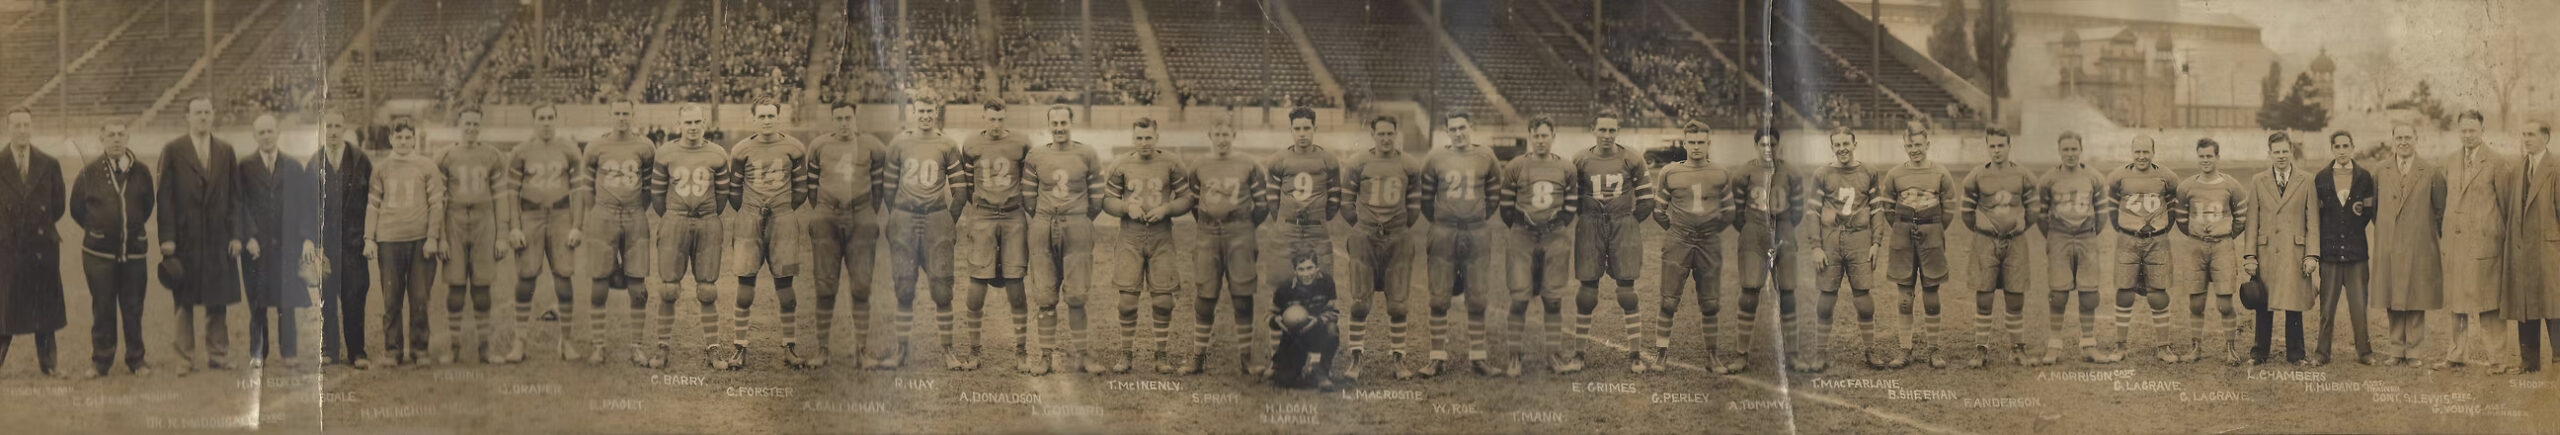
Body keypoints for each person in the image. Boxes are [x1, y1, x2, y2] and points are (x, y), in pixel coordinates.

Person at [1102, 118, 1194, 374]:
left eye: (1148, 138)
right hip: (1130, 237)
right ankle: (1126, 354)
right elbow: (1107, 201)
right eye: (1139, 138)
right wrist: (1126, 207)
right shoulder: (1121, 164)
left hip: (1161, 236)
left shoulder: (1171, 162)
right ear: (1133, 138)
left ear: (1157, 137)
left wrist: (1167, 209)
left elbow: (1187, 198)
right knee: (1127, 302)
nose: (1144, 143)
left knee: (1163, 301)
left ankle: (1161, 355)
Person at [158, 98, 243, 374]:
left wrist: (236, 235)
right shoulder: (173, 149)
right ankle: (184, 358)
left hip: (219, 238)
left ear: (213, 115)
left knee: (217, 299)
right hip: (186, 239)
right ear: (188, 116)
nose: (203, 117)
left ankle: (218, 355)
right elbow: (165, 198)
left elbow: (235, 197)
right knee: (183, 299)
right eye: (197, 113)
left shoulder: (225, 150)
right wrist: (167, 237)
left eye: (207, 112)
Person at [722, 103, 809, 370]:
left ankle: (789, 347)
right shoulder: (741, 149)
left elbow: (801, 191)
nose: (767, 120)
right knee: (745, 287)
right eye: (762, 116)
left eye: (771, 115)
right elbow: (734, 193)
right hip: (749, 218)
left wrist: (781, 211)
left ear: (778, 117)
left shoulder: (794, 147)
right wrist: (752, 212)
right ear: (754, 119)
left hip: (782, 219)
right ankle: (739, 346)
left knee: (786, 288)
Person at [647, 104, 733, 369]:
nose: (693, 127)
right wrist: (675, 216)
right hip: (675, 219)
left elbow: (722, 197)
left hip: (707, 221)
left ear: (704, 123)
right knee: (669, 288)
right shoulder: (665, 152)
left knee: (707, 289)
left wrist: (705, 215)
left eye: (697, 122)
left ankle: (713, 348)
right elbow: (657, 197)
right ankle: (662, 347)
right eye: (688, 122)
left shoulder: (717, 153)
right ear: (679, 124)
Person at [1420, 113, 1504, 377]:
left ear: (1471, 127)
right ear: (1447, 131)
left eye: (1462, 128)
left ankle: (1478, 358)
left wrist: (1476, 217)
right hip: (1444, 232)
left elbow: (1494, 195)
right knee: (1438, 297)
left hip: (1476, 232)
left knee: (1477, 297)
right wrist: (1444, 221)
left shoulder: (1486, 156)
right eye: (1453, 129)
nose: (1458, 133)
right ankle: (1436, 358)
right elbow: (1426, 200)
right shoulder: (1435, 157)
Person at [1339, 115, 1422, 380]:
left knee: (1398, 304)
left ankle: (1398, 359)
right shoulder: (1358, 163)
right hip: (1365, 238)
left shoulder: (1409, 164)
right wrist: (1363, 227)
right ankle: (1356, 359)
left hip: (1397, 239)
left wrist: (1397, 229)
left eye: (1390, 133)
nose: (1386, 138)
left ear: (1397, 134)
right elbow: (1346, 203)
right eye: (1381, 134)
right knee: (1359, 303)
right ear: (1372, 135)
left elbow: (1414, 207)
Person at [879, 101, 961, 370]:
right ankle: (901, 350)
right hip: (905, 217)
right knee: (904, 287)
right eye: (921, 111)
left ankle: (948, 350)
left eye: (929, 111)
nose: (925, 116)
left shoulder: (947, 144)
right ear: (913, 112)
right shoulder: (899, 143)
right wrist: (898, 214)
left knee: (942, 288)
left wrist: (947, 220)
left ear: (936, 113)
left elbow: (960, 191)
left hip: (936, 217)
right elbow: (888, 188)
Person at [1260, 107, 1342, 376]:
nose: (1302, 133)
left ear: (1315, 128)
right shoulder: (1278, 160)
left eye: (1307, 128)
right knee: (1281, 291)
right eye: (1297, 128)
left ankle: (1317, 364)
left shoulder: (1328, 160)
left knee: (1320, 292)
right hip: (1287, 233)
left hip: (1317, 232)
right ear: (1291, 130)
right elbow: (1272, 201)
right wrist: (1287, 223)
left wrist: (1316, 220)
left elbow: (1334, 200)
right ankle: (1277, 359)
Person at [1184, 119, 1269, 375]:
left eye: (1226, 134)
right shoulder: (1198, 164)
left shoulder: (1249, 164)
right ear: (1210, 135)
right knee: (1205, 298)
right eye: (1217, 134)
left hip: (1240, 233)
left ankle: (1247, 358)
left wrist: (1243, 226)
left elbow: (1262, 206)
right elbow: (1194, 204)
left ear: (1234, 134)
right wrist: (1210, 224)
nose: (1222, 139)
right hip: (1208, 235)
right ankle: (1198, 356)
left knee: (1242, 297)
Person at [502, 104, 586, 363]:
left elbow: (578, 192)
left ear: (556, 119)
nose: (546, 122)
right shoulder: (520, 151)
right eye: (542, 118)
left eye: (550, 117)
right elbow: (511, 193)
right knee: (526, 279)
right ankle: (520, 341)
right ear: (534, 121)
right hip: (531, 216)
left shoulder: (569, 149)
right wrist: (514, 227)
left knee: (564, 278)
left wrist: (577, 225)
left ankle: (566, 341)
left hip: (561, 216)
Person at [1022, 105, 1102, 374]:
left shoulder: (1087, 154)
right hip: (1043, 225)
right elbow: (1028, 198)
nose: (1059, 128)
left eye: (1063, 123)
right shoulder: (1036, 155)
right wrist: (1045, 219)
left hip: (1077, 224)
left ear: (1071, 123)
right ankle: (1045, 356)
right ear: (1048, 125)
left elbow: (1097, 200)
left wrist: (1078, 219)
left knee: (1077, 295)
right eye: (1054, 123)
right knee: (1045, 296)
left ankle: (1083, 355)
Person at [804, 102, 884, 370]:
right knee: (825, 285)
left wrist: (866, 213)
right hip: (827, 216)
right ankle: (823, 350)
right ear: (831, 120)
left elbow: (878, 189)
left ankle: (861, 350)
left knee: (861, 285)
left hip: (861, 216)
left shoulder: (872, 146)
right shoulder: (819, 146)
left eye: (848, 118)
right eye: (838, 118)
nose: (843, 123)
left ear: (855, 118)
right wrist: (825, 211)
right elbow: (812, 189)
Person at [71, 120, 153, 377]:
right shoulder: (89, 172)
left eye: (120, 134)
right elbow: (77, 209)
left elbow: (147, 206)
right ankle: (101, 361)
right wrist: (99, 230)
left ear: (128, 138)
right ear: (102, 139)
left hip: (134, 253)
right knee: (103, 308)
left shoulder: (142, 171)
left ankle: (136, 360)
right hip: (99, 255)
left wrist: (129, 229)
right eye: (111, 135)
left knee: (133, 308)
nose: (116, 139)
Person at [1652, 121, 1734, 373]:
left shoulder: (1721, 173)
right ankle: (1661, 354)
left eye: (1701, 142)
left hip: (1709, 242)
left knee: (1710, 303)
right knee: (1668, 301)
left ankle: (1712, 356)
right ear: (1685, 143)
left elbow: (1729, 212)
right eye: (1692, 142)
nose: (1696, 147)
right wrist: (1678, 230)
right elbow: (1658, 211)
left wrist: (1709, 231)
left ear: (1708, 144)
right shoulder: (1670, 172)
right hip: (1679, 240)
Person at [954, 102, 1030, 371]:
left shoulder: (1021, 143)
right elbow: (968, 186)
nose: (996, 125)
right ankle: (974, 351)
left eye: (1000, 119)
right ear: (983, 117)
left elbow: (1027, 182)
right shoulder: (971, 144)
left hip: (1012, 216)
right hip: (983, 216)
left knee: (1015, 283)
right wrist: (983, 207)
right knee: (977, 282)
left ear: (1005, 118)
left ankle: (1021, 351)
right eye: (991, 119)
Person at [1572, 115, 1651, 373]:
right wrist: (1589, 219)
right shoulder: (1580, 160)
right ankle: (1578, 355)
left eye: (1611, 130)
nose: (1607, 135)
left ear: (1618, 130)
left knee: (1627, 291)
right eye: (1602, 129)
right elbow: (1572, 199)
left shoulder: (1632, 158)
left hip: (1622, 224)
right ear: (1592, 129)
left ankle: (1635, 355)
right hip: (1590, 224)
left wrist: (1627, 222)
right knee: (1586, 293)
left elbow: (1647, 200)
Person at [1879, 123, 1959, 369]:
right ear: (1904, 146)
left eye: (1918, 145)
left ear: (1927, 145)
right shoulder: (1894, 175)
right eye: (1910, 145)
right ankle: (1905, 349)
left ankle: (1934, 349)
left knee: (1931, 293)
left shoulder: (1941, 173)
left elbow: (1949, 209)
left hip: (1932, 235)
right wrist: (1903, 228)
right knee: (1905, 295)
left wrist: (1932, 229)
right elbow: (1888, 209)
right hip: (1902, 237)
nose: (1914, 149)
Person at [437, 108, 514, 365]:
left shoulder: (492, 155)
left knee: (482, 288)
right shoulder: (445, 156)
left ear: (480, 126)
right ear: (459, 124)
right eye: (467, 123)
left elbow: (501, 198)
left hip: (484, 221)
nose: (471, 128)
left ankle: (484, 349)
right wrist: (441, 237)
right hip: (454, 221)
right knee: (456, 287)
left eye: (475, 124)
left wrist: (502, 235)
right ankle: (454, 348)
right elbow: (439, 202)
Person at [585, 100, 658, 367]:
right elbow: (587, 188)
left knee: (638, 285)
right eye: (617, 113)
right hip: (603, 215)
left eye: (626, 113)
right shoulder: (596, 146)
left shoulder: (646, 146)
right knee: (599, 282)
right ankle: (598, 345)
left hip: (634, 215)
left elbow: (649, 188)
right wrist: (597, 214)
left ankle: (636, 346)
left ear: (633, 115)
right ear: (610, 115)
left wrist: (635, 209)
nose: (622, 118)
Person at [1955, 129, 2036, 368]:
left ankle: (2017, 349)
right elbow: (1966, 213)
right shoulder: (1976, 176)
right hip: (1985, 242)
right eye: (1993, 146)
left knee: (2015, 296)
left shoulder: (2024, 175)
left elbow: (2034, 209)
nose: (1997, 150)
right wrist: (1982, 228)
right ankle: (1981, 349)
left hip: (2015, 241)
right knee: (1984, 295)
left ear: (2010, 145)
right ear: (1987, 147)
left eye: (2001, 145)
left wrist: (2022, 224)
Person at [1501, 118, 1576, 376]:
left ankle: (1553, 354)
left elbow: (1570, 207)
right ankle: (1514, 356)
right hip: (1522, 237)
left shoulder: (1566, 167)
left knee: (1553, 300)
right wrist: (1524, 225)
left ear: (1554, 135)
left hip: (1555, 238)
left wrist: (1553, 226)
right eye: (1537, 136)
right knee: (1519, 299)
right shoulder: (1516, 166)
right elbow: (1506, 209)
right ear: (1530, 136)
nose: (1541, 140)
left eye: (1545, 135)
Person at [1732, 127, 1808, 374]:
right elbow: (1737, 213)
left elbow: (1797, 211)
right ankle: (1742, 354)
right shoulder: (1743, 173)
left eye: (1772, 144)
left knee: (1787, 292)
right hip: (1754, 233)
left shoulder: (1792, 172)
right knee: (1749, 291)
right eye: (1763, 145)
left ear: (1779, 145)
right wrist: (1752, 230)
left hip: (1784, 230)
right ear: (1756, 146)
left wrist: (1783, 228)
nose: (1768, 149)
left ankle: (1793, 354)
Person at [2438, 111, 2509, 372]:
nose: (2468, 135)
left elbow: (2505, 204)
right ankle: (2456, 355)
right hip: (2456, 245)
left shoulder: (2497, 162)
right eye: (2464, 130)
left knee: (2488, 303)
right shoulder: (2449, 161)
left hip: (2485, 245)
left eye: (2472, 131)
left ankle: (2498, 359)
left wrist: (2493, 234)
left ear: (2482, 131)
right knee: (2458, 303)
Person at [2170, 139, 2252, 365]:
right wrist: (2196, 233)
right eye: (2202, 156)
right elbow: (2181, 219)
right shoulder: (2187, 186)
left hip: (2222, 247)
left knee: (2225, 302)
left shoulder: (2231, 184)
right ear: (2197, 157)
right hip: (2196, 247)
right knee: (2196, 302)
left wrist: (2225, 234)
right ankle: (2196, 347)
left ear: (2217, 157)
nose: (2205, 160)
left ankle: (2230, 348)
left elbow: (2241, 216)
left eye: (2209, 156)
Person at [369, 124, 444, 367]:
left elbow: (436, 205)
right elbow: (373, 206)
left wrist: (432, 237)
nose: (403, 141)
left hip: (420, 240)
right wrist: (369, 238)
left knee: (419, 297)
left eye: (407, 137)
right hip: (389, 239)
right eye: (398, 137)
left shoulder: (427, 166)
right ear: (390, 139)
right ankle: (393, 350)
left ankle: (420, 349)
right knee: (391, 299)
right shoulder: (381, 168)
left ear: (414, 140)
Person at [2372, 123, 2445, 367]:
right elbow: (2374, 210)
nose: (2403, 142)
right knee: (2392, 297)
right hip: (2390, 245)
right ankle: (2396, 349)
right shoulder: (2380, 170)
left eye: (2408, 137)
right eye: (2399, 138)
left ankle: (2413, 351)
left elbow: (2440, 210)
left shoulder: (2431, 171)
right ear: (2392, 140)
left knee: (2416, 297)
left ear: (2416, 139)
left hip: (2419, 246)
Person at [1809, 128, 1882, 371]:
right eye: (1837, 145)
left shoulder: (1869, 172)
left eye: (1846, 144)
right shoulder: (1822, 174)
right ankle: (1820, 353)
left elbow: (1877, 210)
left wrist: (1876, 243)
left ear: (1854, 144)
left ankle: (1870, 350)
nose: (1842, 149)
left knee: (1863, 298)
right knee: (1826, 298)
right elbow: (1812, 212)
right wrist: (1816, 247)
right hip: (1831, 239)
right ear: (1832, 147)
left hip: (1859, 239)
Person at [0, 108, 66, 376]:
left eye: (26, 125)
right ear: (7, 128)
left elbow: (57, 206)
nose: (22, 130)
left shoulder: (49, 163)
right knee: (4, 305)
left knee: (45, 307)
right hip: (7, 248)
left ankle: (49, 365)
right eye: (17, 125)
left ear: (32, 127)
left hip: (42, 247)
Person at [2036, 131, 2110, 365]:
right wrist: (2055, 236)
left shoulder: (2094, 177)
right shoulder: (2048, 179)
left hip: (2086, 237)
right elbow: (2041, 215)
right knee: (2058, 295)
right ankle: (2054, 346)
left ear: (2081, 149)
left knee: (2089, 295)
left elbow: (2102, 215)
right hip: (2059, 237)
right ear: (2059, 151)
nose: (2070, 154)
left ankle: (2088, 345)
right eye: (2065, 149)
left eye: (2074, 149)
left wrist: (2088, 234)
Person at [238, 114, 306, 369]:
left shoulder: (293, 166)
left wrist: (301, 240)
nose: (266, 136)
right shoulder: (244, 166)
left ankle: (289, 352)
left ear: (278, 133)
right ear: (254, 136)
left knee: (286, 301)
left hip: (286, 246)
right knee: (257, 302)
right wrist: (249, 236)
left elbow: (302, 206)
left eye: (270, 131)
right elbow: (239, 205)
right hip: (255, 247)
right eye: (261, 132)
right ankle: (258, 352)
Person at [2104, 135, 2179, 363]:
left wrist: (2160, 230)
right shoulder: (2118, 176)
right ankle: (2120, 346)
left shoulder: (2167, 176)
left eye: (2146, 152)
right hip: (2128, 240)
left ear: (2153, 152)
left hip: (2157, 240)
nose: (2142, 156)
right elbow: (2112, 210)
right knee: (2124, 292)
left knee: (2158, 293)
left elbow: (2173, 208)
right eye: (2137, 152)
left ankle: (2163, 347)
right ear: (2131, 152)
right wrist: (2126, 229)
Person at [2245, 132, 2318, 365]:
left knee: (2294, 304)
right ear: (2269, 153)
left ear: (2292, 151)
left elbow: (2313, 221)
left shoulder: (2306, 180)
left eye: (2285, 151)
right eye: (2276, 152)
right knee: (2263, 303)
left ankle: (2296, 354)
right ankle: (2259, 352)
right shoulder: (2258, 181)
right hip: (2266, 252)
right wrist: (2250, 256)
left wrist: (2311, 255)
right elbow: (2251, 222)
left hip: (2294, 253)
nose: (2281, 156)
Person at [308, 112, 373, 368]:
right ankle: (329, 350)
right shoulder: (314, 162)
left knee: (354, 296)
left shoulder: (360, 159)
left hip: (354, 243)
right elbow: (309, 208)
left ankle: (357, 352)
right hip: (326, 244)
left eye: (337, 126)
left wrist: (368, 237)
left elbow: (371, 201)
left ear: (345, 129)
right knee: (326, 297)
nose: (333, 131)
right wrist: (315, 244)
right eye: (329, 127)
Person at [2311, 130, 2378, 367]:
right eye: (2337, 146)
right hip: (2330, 255)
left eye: (2345, 146)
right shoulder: (2321, 178)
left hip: (2356, 255)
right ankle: (2322, 352)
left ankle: (2364, 351)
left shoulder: (2364, 177)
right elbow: (2318, 215)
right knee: (2327, 308)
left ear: (2352, 148)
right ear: (2332, 149)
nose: (2341, 151)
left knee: (2359, 307)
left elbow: (2366, 212)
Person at [2504, 121, 2559, 374]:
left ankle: (2558, 359)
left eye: (2532, 135)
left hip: (2549, 250)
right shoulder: (2518, 167)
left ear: (2545, 138)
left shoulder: (2556, 167)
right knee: (2525, 305)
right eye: (2524, 134)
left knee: (2554, 304)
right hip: (2523, 251)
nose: (2526, 139)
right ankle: (2529, 362)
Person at [1269, 254, 1339, 390]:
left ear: (1317, 268)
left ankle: (1321, 370)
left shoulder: (1326, 282)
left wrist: (1318, 320)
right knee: (1284, 381)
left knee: (1332, 330)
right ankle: (1286, 368)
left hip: (1318, 330)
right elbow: (1270, 314)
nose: (1306, 274)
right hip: (1294, 334)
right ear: (1294, 271)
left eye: (1309, 268)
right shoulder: (1285, 287)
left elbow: (1334, 312)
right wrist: (1276, 320)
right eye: (1301, 269)